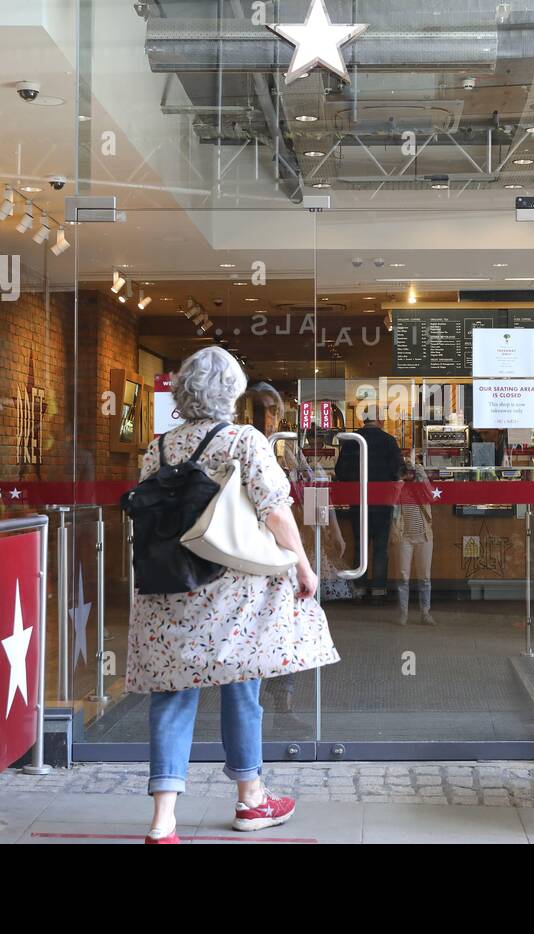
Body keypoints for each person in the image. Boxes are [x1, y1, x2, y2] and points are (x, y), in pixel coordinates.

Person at [125, 347, 339, 843]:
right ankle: (251, 799)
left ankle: (163, 822)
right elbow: (276, 511)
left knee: (172, 695)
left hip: (170, 590)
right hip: (231, 591)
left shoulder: (156, 449)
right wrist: (304, 567)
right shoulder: (244, 440)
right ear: (232, 393)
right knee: (243, 690)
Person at [335, 407, 402, 602]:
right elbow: (397, 471)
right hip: (382, 502)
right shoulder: (389, 441)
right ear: (380, 418)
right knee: (381, 547)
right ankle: (379, 591)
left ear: (363, 419)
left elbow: (341, 471)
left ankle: (359, 589)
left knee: (359, 545)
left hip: (358, 501)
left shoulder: (351, 441)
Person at [391, 463, 436, 626]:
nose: (409, 474)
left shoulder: (421, 488)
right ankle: (403, 613)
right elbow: (391, 502)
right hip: (404, 537)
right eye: (407, 471)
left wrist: (422, 474)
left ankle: (425, 612)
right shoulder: (400, 487)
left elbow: (431, 495)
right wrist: (399, 481)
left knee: (425, 576)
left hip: (424, 536)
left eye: (411, 472)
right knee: (403, 576)